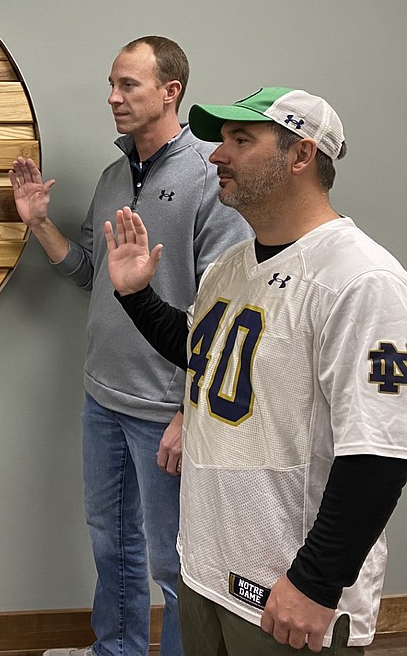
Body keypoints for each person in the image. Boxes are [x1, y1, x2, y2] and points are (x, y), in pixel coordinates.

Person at [105, 87, 407, 654]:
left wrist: (315, 583)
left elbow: (379, 454)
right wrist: (137, 297)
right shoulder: (232, 264)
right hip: (208, 566)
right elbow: (208, 355)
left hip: (286, 589)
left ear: (301, 157)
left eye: (241, 140)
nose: (218, 155)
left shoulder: (362, 281)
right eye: (222, 139)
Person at [9, 37, 248, 656]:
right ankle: (116, 649)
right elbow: (91, 272)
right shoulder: (115, 176)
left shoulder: (209, 176)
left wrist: (188, 411)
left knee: (175, 563)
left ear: (171, 91)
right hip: (103, 394)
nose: (113, 98)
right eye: (112, 85)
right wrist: (38, 222)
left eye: (129, 86)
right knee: (112, 542)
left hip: (167, 407)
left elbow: (224, 310)